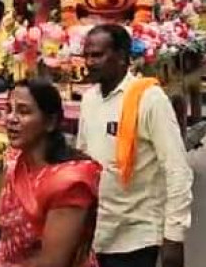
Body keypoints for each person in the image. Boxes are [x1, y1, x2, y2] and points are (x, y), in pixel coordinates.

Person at [76, 24, 193, 267]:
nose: (89, 62)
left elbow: (177, 169)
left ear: (121, 56)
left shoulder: (150, 99)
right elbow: (83, 163)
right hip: (98, 233)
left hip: (137, 236)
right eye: (86, 55)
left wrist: (174, 236)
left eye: (97, 55)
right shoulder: (89, 100)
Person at [0, 79, 101, 267]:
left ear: (50, 122)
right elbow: (6, 240)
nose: (11, 118)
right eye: (9, 109)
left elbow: (52, 262)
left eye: (23, 112)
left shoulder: (69, 183)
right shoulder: (13, 165)